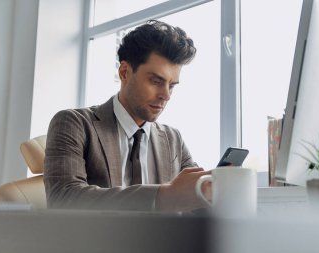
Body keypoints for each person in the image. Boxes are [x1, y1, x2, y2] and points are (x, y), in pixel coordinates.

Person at [44, 20, 210, 212]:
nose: (166, 95)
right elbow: (63, 199)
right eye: (156, 81)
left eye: (171, 85)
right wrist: (163, 196)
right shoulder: (74, 124)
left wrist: (214, 189)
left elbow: (196, 196)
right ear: (124, 72)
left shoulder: (173, 139)